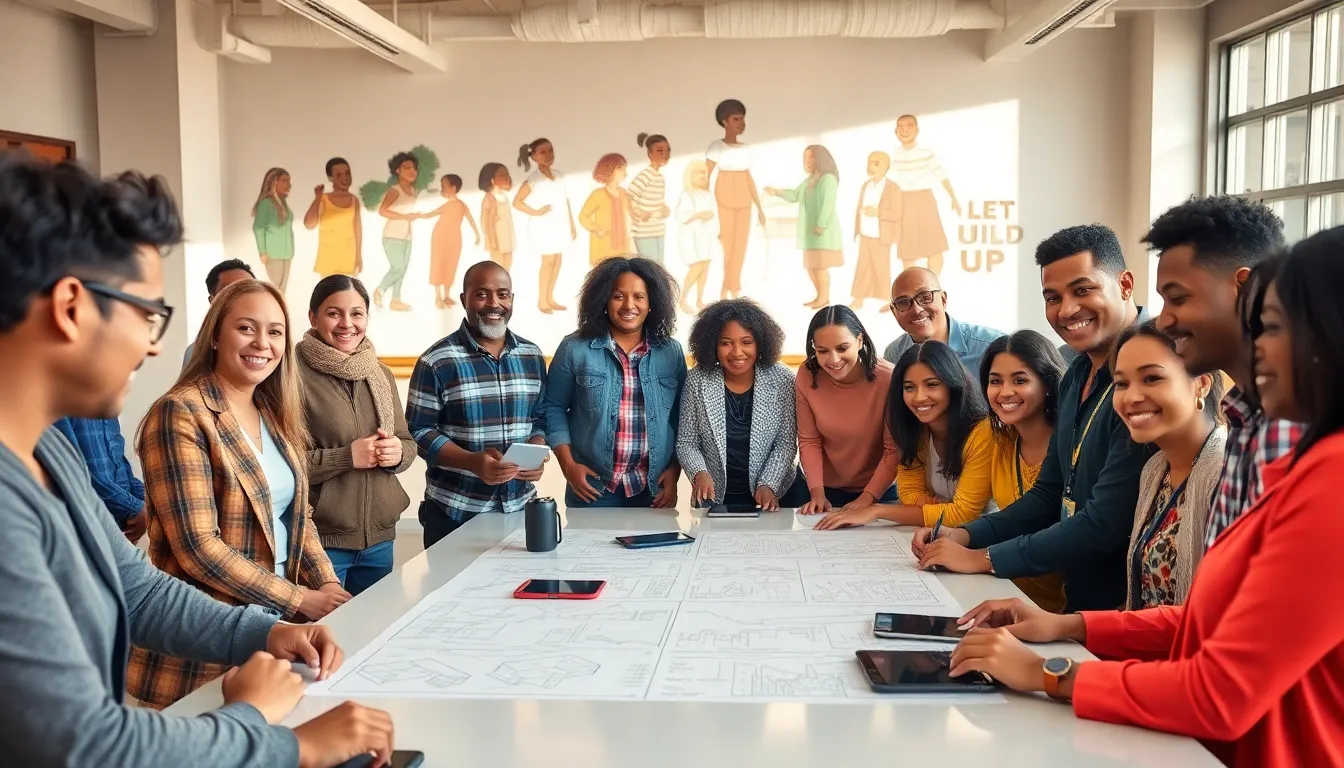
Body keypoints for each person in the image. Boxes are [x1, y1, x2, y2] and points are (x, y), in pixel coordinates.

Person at [0, 154, 391, 767]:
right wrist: (278, 738)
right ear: (72, 305)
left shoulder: (48, 447)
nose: (153, 342)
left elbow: (137, 592)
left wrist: (267, 631)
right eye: (148, 313)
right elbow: (86, 743)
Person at [946, 233, 1344, 768]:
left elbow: (1219, 692)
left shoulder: (1328, 476)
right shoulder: (1274, 461)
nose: (1256, 349)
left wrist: (1048, 673)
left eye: (1271, 327)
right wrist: (1068, 625)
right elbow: (1209, 619)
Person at [133, 280, 349, 709]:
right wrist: (301, 599)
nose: (262, 344)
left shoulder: (272, 410)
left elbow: (296, 516)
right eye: (246, 328)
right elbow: (198, 547)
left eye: (274, 332)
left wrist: (327, 585)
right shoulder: (181, 411)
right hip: (203, 639)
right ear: (215, 334)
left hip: (278, 629)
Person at [916, 224, 1153, 613]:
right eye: (1052, 297)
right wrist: (964, 535)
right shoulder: (1077, 370)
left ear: (1125, 284)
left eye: (1083, 290)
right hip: (1080, 602)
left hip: (1129, 609)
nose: (1067, 310)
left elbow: (1104, 523)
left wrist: (985, 558)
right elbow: (1050, 494)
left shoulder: (1150, 374)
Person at [1144, 195, 1298, 549]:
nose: (1163, 320)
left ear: (1244, 288)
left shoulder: (1290, 430)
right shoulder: (1244, 420)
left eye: (1178, 299)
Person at [405, 261, 548, 549]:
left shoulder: (532, 356)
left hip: (520, 509)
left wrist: (537, 451)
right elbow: (418, 432)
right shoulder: (436, 360)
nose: (494, 303)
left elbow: (541, 417)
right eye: (482, 294)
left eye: (503, 294)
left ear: (512, 300)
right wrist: (472, 462)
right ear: (464, 300)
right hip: (454, 513)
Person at [296, 276, 416, 595]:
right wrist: (347, 457)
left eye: (357, 313)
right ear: (313, 317)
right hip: (321, 541)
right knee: (326, 638)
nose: (347, 323)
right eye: (334, 313)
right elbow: (282, 462)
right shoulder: (290, 376)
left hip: (379, 539)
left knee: (374, 633)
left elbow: (406, 441)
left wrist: (398, 453)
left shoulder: (380, 373)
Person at [541, 257, 686, 509]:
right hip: (592, 487)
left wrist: (675, 470)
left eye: (639, 297)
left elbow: (683, 417)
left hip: (653, 487)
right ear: (603, 301)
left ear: (652, 303)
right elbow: (552, 408)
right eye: (618, 296)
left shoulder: (670, 352)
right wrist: (568, 466)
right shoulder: (574, 348)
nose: (629, 305)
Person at [815, 340, 993, 530]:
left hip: (984, 538)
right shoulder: (916, 429)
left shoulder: (982, 432)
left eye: (931, 385)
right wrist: (936, 507)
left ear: (953, 385)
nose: (919, 397)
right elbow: (908, 492)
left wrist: (875, 511)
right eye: (909, 387)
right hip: (938, 532)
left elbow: (962, 514)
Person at [1111, 322, 1226, 609]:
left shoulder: (1227, 473)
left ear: (1201, 384)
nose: (1131, 397)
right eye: (1121, 383)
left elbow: (1212, 618)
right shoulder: (1155, 469)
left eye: (1151, 378)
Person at [678, 299, 809, 511]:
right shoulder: (697, 380)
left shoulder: (782, 378)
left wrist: (769, 484)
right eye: (726, 343)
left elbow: (785, 443)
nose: (737, 352)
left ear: (760, 342)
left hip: (780, 496)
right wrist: (699, 473)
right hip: (718, 498)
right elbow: (687, 442)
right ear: (712, 344)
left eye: (747, 342)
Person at [979, 331, 1068, 612]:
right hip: (1007, 593)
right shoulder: (1000, 441)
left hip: (1065, 610)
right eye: (995, 381)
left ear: (1048, 384)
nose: (1004, 392)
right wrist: (951, 535)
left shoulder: (1073, 447)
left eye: (1020, 380)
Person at [794, 305, 900, 516]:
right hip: (819, 487)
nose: (833, 360)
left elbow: (893, 450)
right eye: (822, 351)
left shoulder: (888, 379)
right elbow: (809, 440)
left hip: (877, 489)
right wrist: (817, 493)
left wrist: (867, 499)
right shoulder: (807, 374)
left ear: (859, 341)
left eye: (842, 348)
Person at [882, 266, 1003, 376]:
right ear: (894, 311)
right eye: (903, 302)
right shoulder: (894, 354)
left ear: (943, 300)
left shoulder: (990, 346)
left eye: (925, 297)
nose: (916, 309)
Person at [764, 145, 842, 310]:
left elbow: (828, 203)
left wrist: (821, 224)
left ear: (820, 158)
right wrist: (777, 192)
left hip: (823, 232)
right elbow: (794, 195)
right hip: (809, 232)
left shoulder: (828, 179)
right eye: (805, 157)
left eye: (811, 157)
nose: (807, 161)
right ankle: (819, 295)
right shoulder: (809, 180)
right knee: (810, 266)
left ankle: (824, 297)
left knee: (820, 266)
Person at [704, 99, 766, 300]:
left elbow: (749, 177)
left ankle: (731, 287)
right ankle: (727, 287)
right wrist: (706, 205)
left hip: (744, 199)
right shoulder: (716, 147)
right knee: (728, 245)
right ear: (725, 122)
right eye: (736, 118)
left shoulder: (746, 149)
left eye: (742, 118)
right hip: (724, 197)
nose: (741, 122)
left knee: (740, 246)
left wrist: (760, 207)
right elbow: (706, 177)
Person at [52, 416, 147, 542]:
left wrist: (146, 502)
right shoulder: (62, 403)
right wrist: (136, 508)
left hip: (120, 529)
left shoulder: (108, 409)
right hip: (88, 529)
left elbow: (121, 465)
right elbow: (74, 468)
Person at [891, 114, 961, 275]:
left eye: (909, 126)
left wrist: (953, 196)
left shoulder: (926, 152)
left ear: (917, 130)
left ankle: (933, 284)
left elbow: (940, 173)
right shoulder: (893, 154)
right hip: (903, 201)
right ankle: (910, 288)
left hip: (924, 200)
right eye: (900, 127)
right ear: (896, 132)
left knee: (934, 246)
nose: (904, 130)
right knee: (907, 248)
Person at [513, 137, 575, 313]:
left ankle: (550, 297)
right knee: (547, 261)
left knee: (557, 261)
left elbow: (566, 200)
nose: (548, 155)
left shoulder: (559, 176)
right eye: (543, 152)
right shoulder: (533, 180)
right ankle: (542, 301)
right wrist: (536, 212)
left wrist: (571, 224)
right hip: (544, 226)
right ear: (533, 157)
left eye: (550, 150)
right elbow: (517, 202)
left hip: (560, 224)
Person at [850, 151, 902, 311]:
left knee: (881, 268)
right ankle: (858, 300)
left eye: (876, 163)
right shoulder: (866, 185)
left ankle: (889, 300)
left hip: (881, 236)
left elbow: (897, 213)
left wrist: (878, 213)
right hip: (866, 234)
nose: (871, 166)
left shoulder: (893, 188)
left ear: (886, 166)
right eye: (869, 162)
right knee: (862, 267)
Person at [183, 258, 255, 366]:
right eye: (230, 292)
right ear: (212, 301)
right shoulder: (195, 353)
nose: (243, 298)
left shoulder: (274, 343)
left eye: (249, 290)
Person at [374, 151, 421, 312]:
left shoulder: (413, 191)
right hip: (392, 235)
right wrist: (405, 216)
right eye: (406, 167)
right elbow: (383, 211)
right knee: (398, 267)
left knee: (404, 269)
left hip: (407, 236)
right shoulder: (395, 190)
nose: (412, 171)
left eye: (414, 167)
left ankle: (396, 300)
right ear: (398, 171)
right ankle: (379, 290)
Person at [427, 173, 480, 309]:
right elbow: (431, 214)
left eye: (444, 186)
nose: (442, 189)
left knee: (451, 265)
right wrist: (414, 215)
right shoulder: (446, 205)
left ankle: (446, 295)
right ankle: (437, 297)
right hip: (439, 237)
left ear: (453, 187)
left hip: (454, 238)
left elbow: (470, 219)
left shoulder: (461, 205)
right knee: (438, 264)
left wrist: (477, 234)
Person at [306, 156, 364, 279]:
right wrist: (317, 199)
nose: (345, 178)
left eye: (347, 173)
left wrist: (358, 256)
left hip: (349, 259)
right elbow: (309, 224)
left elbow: (357, 229)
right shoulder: (324, 199)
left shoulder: (354, 200)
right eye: (339, 175)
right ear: (331, 179)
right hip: (328, 259)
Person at [675, 160, 720, 313]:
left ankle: (699, 299)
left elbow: (714, 213)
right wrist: (700, 214)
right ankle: (682, 299)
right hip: (691, 236)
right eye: (698, 172)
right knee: (696, 267)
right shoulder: (687, 194)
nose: (703, 175)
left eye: (704, 172)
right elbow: (681, 216)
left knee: (705, 266)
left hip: (707, 236)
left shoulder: (709, 194)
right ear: (690, 175)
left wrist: (713, 222)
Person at [578, 153, 635, 265]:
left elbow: (633, 212)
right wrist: (596, 229)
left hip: (623, 246)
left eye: (625, 169)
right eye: (620, 168)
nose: (625, 173)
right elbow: (583, 216)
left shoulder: (624, 193)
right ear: (609, 170)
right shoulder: (598, 194)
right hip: (603, 245)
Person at [629, 132, 672, 262]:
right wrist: (637, 211)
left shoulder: (659, 177)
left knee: (659, 268)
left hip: (658, 229)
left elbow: (656, 200)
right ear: (650, 153)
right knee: (650, 269)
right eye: (659, 151)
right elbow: (628, 196)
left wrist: (664, 208)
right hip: (644, 232)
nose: (664, 154)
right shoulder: (645, 175)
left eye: (667, 150)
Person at [251, 167, 295, 293]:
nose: (289, 185)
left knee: (282, 290)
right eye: (284, 181)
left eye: (289, 181)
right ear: (273, 182)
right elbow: (258, 227)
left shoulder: (282, 202)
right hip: (273, 253)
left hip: (286, 253)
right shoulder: (266, 203)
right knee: (276, 289)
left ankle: (281, 312)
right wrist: (262, 251)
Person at [478, 161, 515, 271]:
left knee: (507, 267)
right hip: (497, 240)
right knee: (499, 268)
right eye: (502, 176)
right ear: (492, 180)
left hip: (506, 238)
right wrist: (492, 241)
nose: (507, 178)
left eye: (507, 175)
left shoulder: (503, 196)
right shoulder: (490, 198)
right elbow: (487, 222)